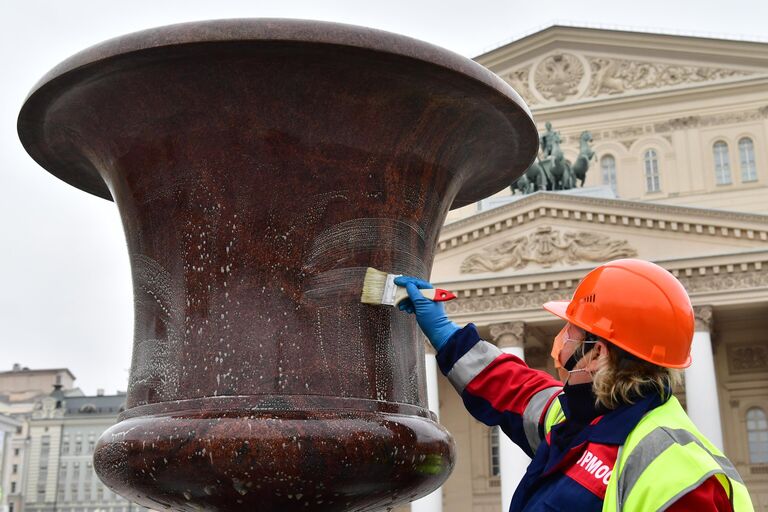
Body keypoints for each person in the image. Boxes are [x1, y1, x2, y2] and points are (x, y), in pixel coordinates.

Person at [395, 258, 753, 511]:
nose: (561, 339)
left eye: (571, 331)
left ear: (596, 354)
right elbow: (517, 389)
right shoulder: (579, 418)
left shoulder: (679, 476)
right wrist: (446, 335)